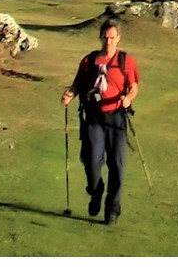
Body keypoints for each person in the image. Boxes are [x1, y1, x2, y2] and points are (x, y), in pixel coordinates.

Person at [62, 17, 140, 225]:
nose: (108, 42)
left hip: (116, 118)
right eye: (105, 38)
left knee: (117, 165)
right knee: (92, 162)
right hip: (94, 117)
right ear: (100, 38)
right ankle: (96, 191)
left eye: (112, 38)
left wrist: (128, 99)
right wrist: (70, 94)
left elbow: (133, 87)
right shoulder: (89, 61)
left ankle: (112, 210)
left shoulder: (126, 61)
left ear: (119, 38)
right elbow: (77, 84)